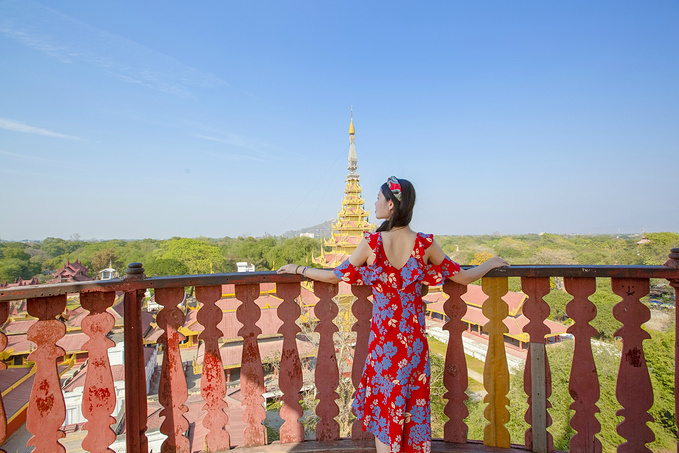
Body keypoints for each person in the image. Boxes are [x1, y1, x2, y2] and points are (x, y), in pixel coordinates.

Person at [277, 176, 508, 453]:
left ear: (391, 204)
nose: (374, 203)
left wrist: (299, 269)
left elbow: (334, 276)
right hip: (413, 347)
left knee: (386, 414)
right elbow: (463, 276)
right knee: (413, 412)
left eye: (378, 198)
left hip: (384, 348)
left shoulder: (372, 243)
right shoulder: (424, 244)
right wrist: (490, 263)